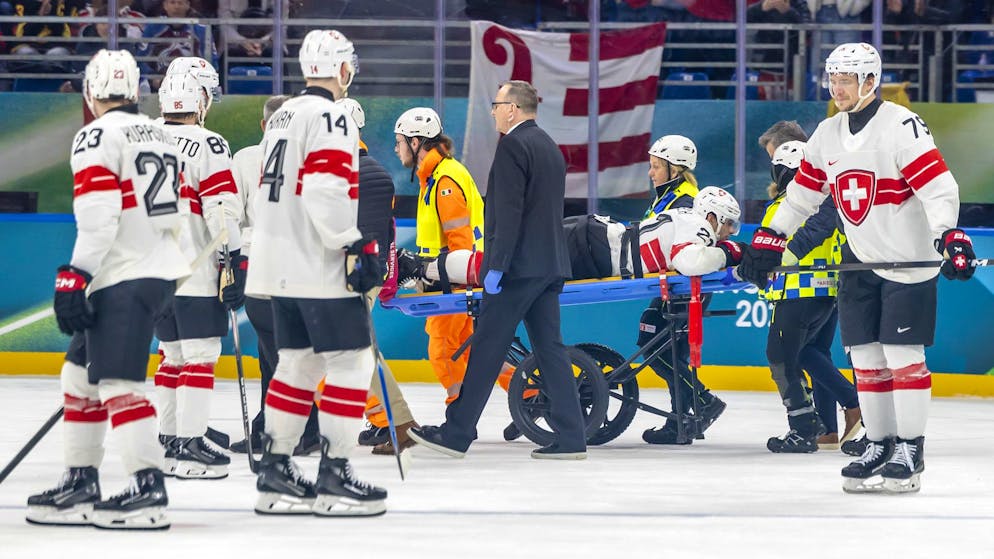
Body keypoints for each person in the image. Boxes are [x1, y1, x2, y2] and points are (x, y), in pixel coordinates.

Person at [739, 43, 973, 493]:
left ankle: (910, 447)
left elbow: (938, 185)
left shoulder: (901, 126)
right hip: (859, 259)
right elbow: (803, 195)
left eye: (846, 79)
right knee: (865, 357)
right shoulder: (827, 133)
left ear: (870, 81)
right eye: (833, 79)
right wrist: (772, 238)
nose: (837, 87)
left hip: (908, 261)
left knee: (903, 357)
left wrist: (948, 234)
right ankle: (879, 444)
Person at [26, 49, 188, 529]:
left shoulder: (95, 134)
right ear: (137, 91)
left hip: (121, 272)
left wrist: (75, 274)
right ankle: (82, 479)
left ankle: (148, 489)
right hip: (154, 270)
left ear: (90, 93)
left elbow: (99, 218)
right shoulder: (161, 133)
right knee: (79, 377)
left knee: (119, 383)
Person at [245, 29, 387, 516]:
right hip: (317, 263)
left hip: (275, 264)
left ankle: (275, 470)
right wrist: (355, 244)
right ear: (342, 68)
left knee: (297, 364)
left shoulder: (283, 113)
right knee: (352, 364)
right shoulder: (335, 115)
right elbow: (324, 192)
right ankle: (334, 475)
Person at [408, 80, 587, 460]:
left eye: (496, 104)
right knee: (550, 348)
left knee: (487, 347)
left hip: (516, 270)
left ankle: (457, 432)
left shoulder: (513, 146)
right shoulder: (549, 147)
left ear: (513, 109)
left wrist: (497, 267)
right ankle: (572, 436)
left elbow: (507, 216)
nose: (492, 111)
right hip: (548, 265)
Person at [152, 57, 243, 480]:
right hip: (194, 269)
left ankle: (168, 438)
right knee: (201, 356)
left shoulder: (141, 137)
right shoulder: (209, 143)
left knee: (170, 355)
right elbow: (220, 209)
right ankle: (190, 443)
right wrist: (233, 263)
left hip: (151, 272)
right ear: (201, 97)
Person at [399, 186, 744, 288]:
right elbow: (690, 262)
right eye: (727, 225)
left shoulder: (685, 215)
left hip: (591, 237)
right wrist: (731, 253)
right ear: (712, 215)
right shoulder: (698, 224)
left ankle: (429, 268)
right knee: (503, 266)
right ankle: (420, 266)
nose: (727, 233)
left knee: (505, 259)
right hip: (589, 250)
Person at [227, 94, 323, 457]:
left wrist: (233, 268)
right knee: (282, 353)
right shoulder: (308, 158)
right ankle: (275, 427)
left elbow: (232, 220)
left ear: (264, 124)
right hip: (299, 266)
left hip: (259, 267)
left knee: (280, 355)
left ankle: (297, 429)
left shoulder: (246, 158)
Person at [758, 121, 863, 452]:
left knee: (793, 354)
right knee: (814, 354)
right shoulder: (825, 202)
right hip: (825, 289)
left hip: (800, 290)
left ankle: (847, 404)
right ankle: (828, 429)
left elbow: (777, 249)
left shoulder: (791, 208)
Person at [337, 98, 422, 457]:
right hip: (360, 271)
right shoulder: (370, 171)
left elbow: (355, 233)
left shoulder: (352, 172)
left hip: (349, 274)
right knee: (353, 351)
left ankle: (398, 422)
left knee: (356, 352)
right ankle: (390, 420)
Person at [637, 135, 727, 445]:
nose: (651, 173)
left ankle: (702, 402)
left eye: (656, 167)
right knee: (669, 349)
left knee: (654, 345)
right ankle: (684, 421)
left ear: (674, 170)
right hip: (674, 286)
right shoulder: (669, 197)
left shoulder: (687, 201)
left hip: (685, 287)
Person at [394, 106, 484, 408]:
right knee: (473, 349)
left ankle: (458, 412)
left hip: (455, 281)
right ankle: (530, 395)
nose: (396, 148)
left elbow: (459, 241)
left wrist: (446, 277)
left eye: (400, 141)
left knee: (442, 350)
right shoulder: (435, 177)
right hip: (448, 278)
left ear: (417, 142)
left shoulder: (444, 183)